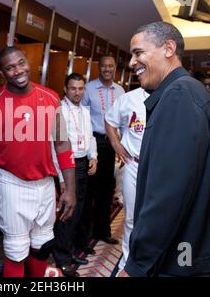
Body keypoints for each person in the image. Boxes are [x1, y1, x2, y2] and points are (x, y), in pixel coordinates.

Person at [118, 21, 210, 277]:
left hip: (179, 252)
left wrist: (136, 265)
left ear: (168, 48)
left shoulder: (179, 96)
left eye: (138, 53)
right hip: (184, 247)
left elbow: (168, 193)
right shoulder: (182, 92)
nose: (132, 63)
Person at [0, 46, 76, 277]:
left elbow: (62, 143)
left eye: (21, 63)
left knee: (42, 247)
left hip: (46, 183)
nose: (18, 70)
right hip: (12, 185)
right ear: (1, 73)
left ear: (28, 63)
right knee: (16, 251)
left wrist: (70, 188)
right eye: (10, 67)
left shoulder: (50, 98)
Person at [52, 73, 98, 277]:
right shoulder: (58, 111)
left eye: (80, 88)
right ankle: (61, 259)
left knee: (78, 211)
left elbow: (90, 136)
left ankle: (70, 253)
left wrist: (93, 156)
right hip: (66, 166)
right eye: (73, 88)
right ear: (65, 89)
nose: (77, 92)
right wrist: (61, 178)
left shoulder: (85, 112)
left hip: (82, 164)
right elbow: (54, 147)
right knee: (66, 213)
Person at [81, 55, 125, 246]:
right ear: (99, 68)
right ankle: (86, 233)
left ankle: (103, 231)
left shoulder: (121, 90)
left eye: (111, 66)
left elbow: (123, 118)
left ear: (115, 68)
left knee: (107, 189)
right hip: (93, 142)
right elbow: (81, 116)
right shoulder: (88, 89)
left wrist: (122, 146)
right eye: (104, 66)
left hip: (112, 142)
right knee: (90, 189)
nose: (107, 69)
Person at [105, 87, 148, 274]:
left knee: (157, 218)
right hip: (134, 165)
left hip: (160, 168)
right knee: (131, 218)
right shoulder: (130, 98)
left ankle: (150, 260)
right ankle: (128, 262)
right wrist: (116, 144)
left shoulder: (172, 92)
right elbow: (109, 120)